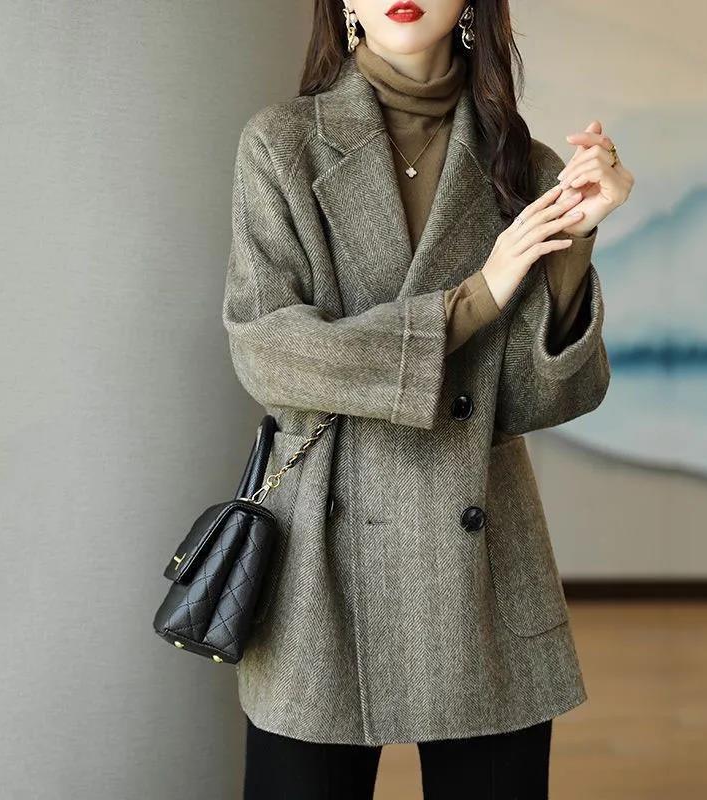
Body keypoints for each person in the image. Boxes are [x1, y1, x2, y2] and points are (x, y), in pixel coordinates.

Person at [222, 1, 634, 797]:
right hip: (320, 576)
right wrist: (474, 297)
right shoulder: (281, 144)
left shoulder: (530, 168)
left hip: (481, 564)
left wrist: (574, 246)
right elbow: (270, 354)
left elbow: (541, 400)